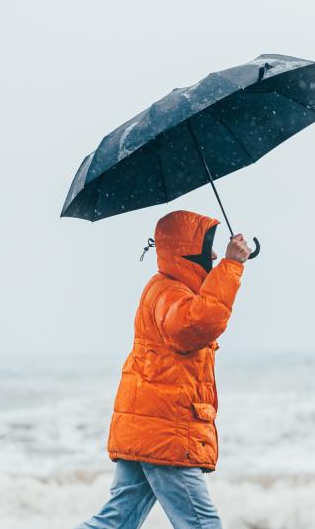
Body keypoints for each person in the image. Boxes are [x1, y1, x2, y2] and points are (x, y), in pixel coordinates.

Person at [74, 209, 250, 529]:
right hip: (166, 430)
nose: (213, 254)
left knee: (116, 521)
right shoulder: (169, 291)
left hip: (150, 426)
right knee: (203, 524)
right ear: (188, 252)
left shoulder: (171, 290)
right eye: (206, 248)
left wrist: (228, 267)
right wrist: (231, 265)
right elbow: (195, 326)